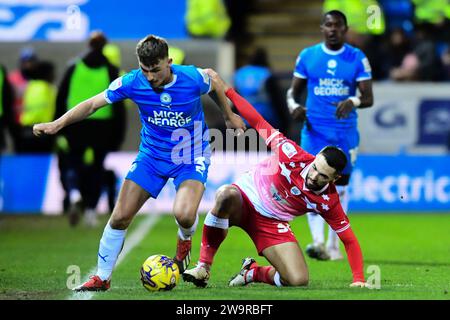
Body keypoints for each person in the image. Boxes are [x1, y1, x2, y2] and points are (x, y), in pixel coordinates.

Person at [33, 34, 245, 291]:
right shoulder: (133, 82)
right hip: (151, 157)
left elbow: (213, 80)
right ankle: (102, 277)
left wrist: (229, 114)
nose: (151, 77)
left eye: (155, 70)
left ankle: (184, 240)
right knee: (120, 216)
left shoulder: (190, 77)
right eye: (145, 70)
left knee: (185, 215)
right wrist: (57, 124)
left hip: (190, 156)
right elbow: (91, 104)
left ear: (169, 62)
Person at [183, 70, 368, 289]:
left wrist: (359, 279)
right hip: (245, 197)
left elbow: (349, 240)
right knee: (225, 194)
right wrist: (229, 92)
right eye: (315, 168)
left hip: (271, 222)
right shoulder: (292, 154)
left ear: (335, 178)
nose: (314, 175)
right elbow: (258, 121)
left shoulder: (328, 201)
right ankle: (203, 267)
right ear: (315, 157)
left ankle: (252, 272)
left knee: (298, 280)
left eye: (322, 176)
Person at [286, 10, 374, 261]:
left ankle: (334, 247)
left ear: (345, 29)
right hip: (315, 131)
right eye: (328, 25)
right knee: (311, 183)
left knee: (341, 188)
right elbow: (292, 93)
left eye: (338, 25)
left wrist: (353, 100)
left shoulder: (357, 58)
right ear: (322, 28)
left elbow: (368, 98)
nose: (333, 29)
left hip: (344, 133)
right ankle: (318, 242)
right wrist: (294, 107)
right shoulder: (308, 56)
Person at [55, 31, 126, 226]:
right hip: (102, 127)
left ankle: (75, 193)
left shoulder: (74, 67)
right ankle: (91, 211)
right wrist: (118, 134)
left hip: (75, 124)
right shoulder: (111, 70)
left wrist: (58, 126)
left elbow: (61, 98)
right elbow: (119, 106)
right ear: (104, 46)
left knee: (72, 163)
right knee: (97, 168)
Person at [234, 47, 290, 131]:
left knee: (246, 144)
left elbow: (234, 99)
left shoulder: (239, 74)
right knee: (264, 143)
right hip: (265, 122)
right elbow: (277, 101)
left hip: (244, 122)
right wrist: (285, 123)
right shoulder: (266, 74)